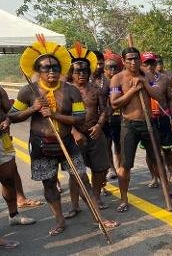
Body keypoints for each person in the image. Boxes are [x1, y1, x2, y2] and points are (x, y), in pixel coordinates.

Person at [10, 36, 119, 235]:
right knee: (49, 183)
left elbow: (79, 118)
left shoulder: (71, 91)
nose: (51, 71)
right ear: (38, 71)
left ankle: (99, 218)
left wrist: (55, 115)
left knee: (81, 179)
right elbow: (12, 117)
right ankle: (60, 221)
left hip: (67, 143)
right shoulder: (28, 91)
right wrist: (32, 109)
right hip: (41, 145)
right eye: (46, 68)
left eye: (55, 67)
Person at [109, 46, 165, 213]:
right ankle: (124, 198)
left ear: (140, 60)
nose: (133, 62)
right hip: (129, 125)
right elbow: (115, 103)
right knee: (125, 165)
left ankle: (167, 190)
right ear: (124, 61)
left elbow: (159, 96)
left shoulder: (147, 75)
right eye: (129, 59)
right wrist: (133, 90)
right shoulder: (117, 79)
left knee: (158, 159)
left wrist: (144, 85)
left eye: (136, 58)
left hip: (148, 123)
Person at [66, 44, 112, 212]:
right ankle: (74, 205)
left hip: (95, 133)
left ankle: (96, 198)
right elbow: (61, 114)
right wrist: (74, 131)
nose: (81, 74)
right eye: (77, 71)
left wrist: (100, 125)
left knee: (100, 168)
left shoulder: (96, 90)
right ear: (71, 72)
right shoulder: (66, 91)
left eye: (85, 70)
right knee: (75, 172)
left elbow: (104, 109)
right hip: (74, 136)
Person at [140, 52, 172, 188]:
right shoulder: (138, 79)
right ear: (142, 65)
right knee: (150, 151)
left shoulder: (164, 79)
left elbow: (170, 99)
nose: (150, 66)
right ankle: (154, 177)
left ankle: (171, 175)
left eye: (152, 63)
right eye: (146, 64)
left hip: (163, 118)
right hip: (147, 119)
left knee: (167, 150)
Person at [0, 86, 36, 229]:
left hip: (2, 139)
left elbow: (11, 112)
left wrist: (8, 120)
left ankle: (13, 215)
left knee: (8, 178)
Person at [102, 50, 124, 180]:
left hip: (119, 117)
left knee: (119, 144)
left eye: (115, 67)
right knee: (107, 145)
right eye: (110, 67)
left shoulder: (120, 81)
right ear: (104, 70)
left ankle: (120, 166)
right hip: (107, 118)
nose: (113, 70)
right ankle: (111, 168)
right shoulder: (101, 84)